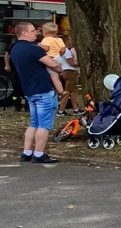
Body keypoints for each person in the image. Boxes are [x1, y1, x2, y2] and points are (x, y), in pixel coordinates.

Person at [10, 21, 64, 163]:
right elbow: (53, 64)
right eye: (33, 31)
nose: (36, 33)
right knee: (44, 125)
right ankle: (39, 154)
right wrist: (59, 68)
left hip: (29, 90)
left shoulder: (15, 49)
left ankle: (26, 152)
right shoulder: (33, 49)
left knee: (34, 122)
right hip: (43, 89)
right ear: (24, 33)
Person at [57, 44, 79, 115]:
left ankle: (76, 109)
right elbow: (72, 63)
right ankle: (61, 111)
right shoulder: (66, 50)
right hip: (70, 72)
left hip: (66, 71)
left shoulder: (62, 50)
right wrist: (79, 62)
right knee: (68, 91)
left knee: (74, 91)